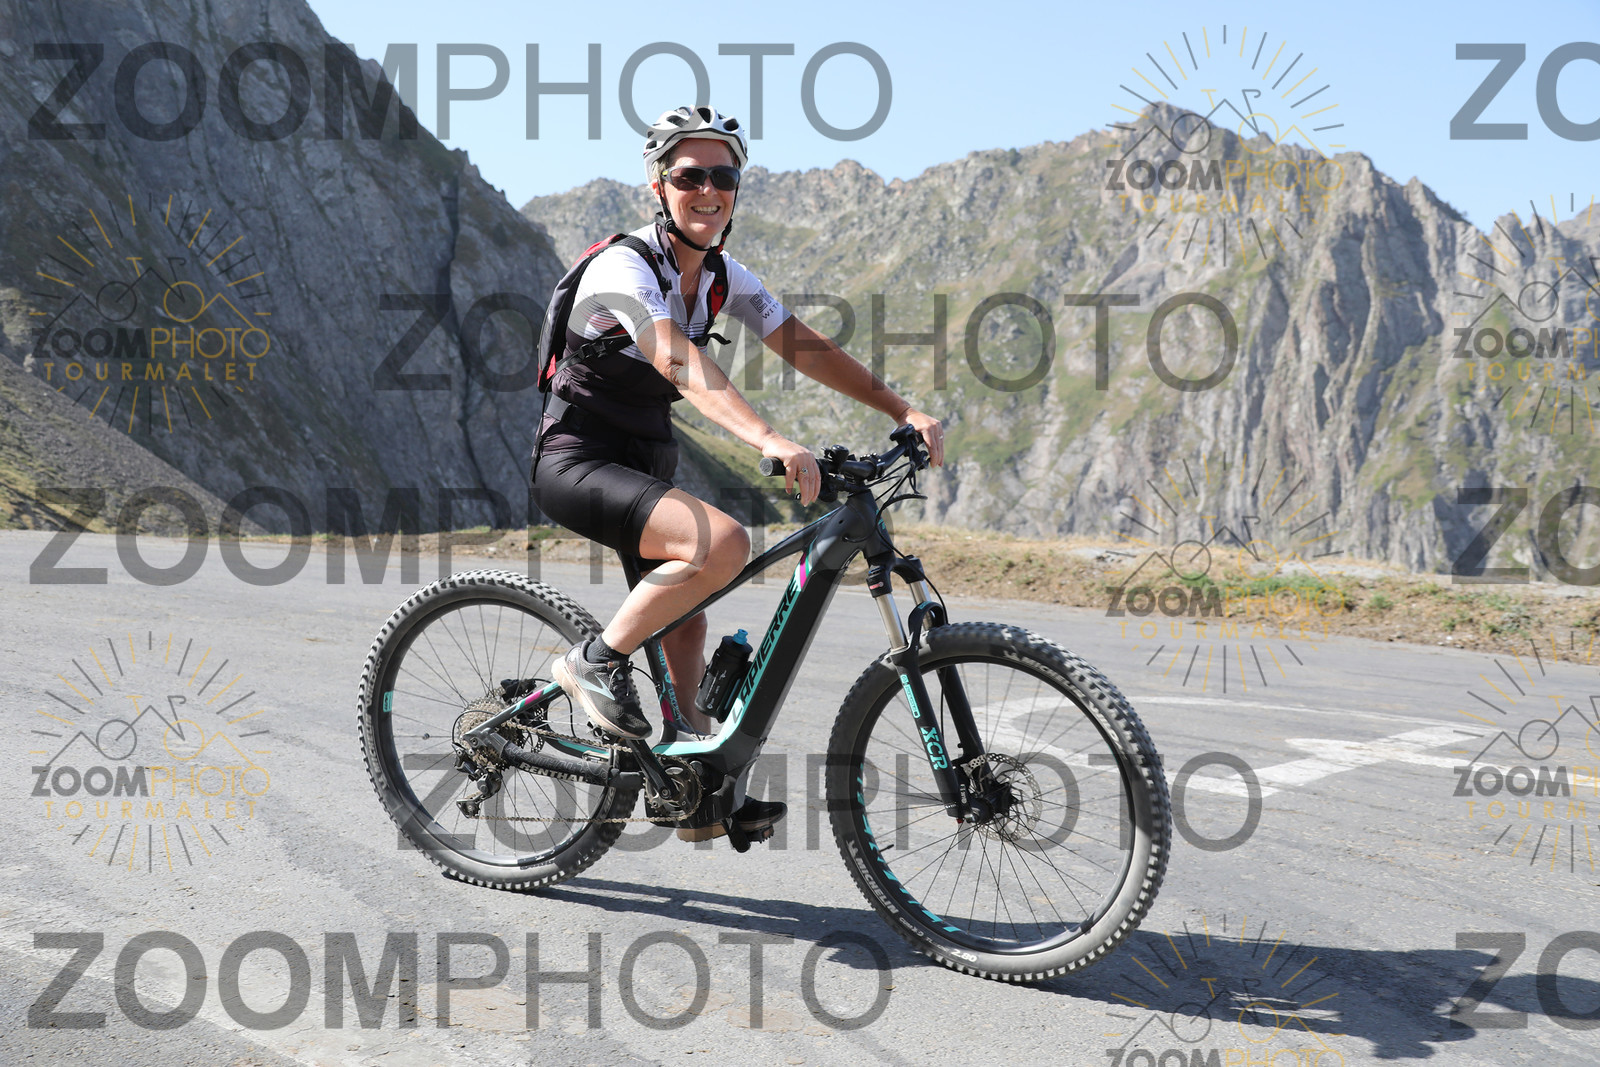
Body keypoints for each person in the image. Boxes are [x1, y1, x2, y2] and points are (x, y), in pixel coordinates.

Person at [533, 105, 944, 837]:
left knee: (686, 627)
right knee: (722, 543)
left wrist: (902, 408)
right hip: (579, 461)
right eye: (690, 176)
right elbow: (675, 358)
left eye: (723, 177)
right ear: (659, 186)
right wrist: (768, 437)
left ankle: (693, 793)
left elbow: (804, 346)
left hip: (647, 463)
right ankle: (592, 662)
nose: (708, 191)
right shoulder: (621, 266)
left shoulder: (724, 277)